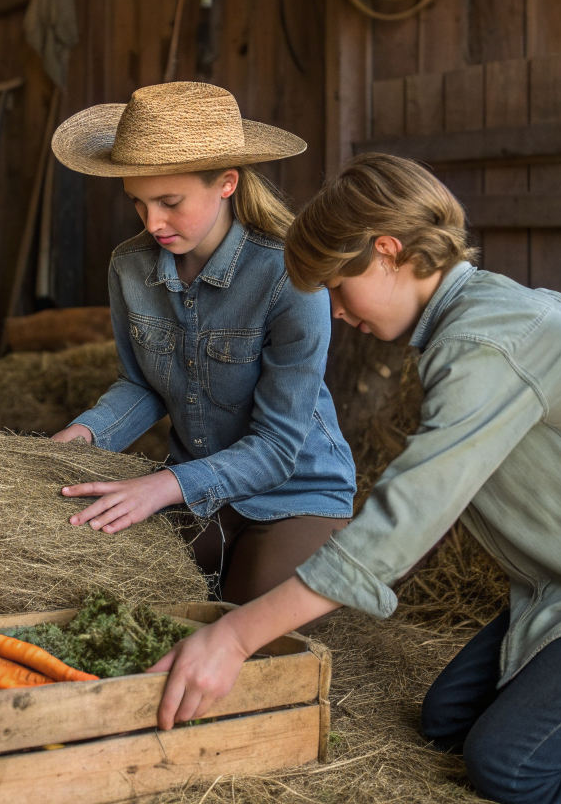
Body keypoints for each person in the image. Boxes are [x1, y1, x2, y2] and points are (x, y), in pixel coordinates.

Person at [148, 153, 561, 804]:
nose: (334, 310)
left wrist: (233, 636)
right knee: (449, 721)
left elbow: (406, 516)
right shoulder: (478, 316)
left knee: (511, 767)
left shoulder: (486, 344)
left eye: (337, 285)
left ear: (388, 250)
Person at [46, 81, 357, 608]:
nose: (153, 223)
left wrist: (162, 486)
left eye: (170, 202)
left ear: (227, 183)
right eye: (137, 203)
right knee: (127, 607)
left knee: (231, 626)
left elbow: (280, 448)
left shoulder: (289, 277)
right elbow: (142, 384)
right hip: (198, 493)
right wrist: (83, 436)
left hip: (294, 491)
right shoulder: (130, 266)